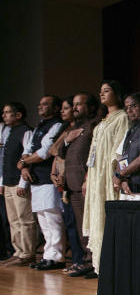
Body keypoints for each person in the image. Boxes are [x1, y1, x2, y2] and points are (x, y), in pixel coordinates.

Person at [83, 81, 129, 278]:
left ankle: (109, 265)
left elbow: (120, 148)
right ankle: (98, 264)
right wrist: (88, 175)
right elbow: (93, 149)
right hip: (95, 174)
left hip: (108, 174)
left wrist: (116, 173)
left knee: (106, 215)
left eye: (107, 91)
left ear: (116, 94)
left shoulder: (122, 117)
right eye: (100, 91)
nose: (102, 94)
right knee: (96, 214)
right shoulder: (103, 120)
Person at [18, 95, 65, 270]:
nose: (40, 107)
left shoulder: (57, 125)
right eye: (40, 104)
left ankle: (57, 256)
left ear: (55, 108)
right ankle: (48, 255)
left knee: (53, 219)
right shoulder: (39, 126)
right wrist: (24, 164)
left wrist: (24, 162)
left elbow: (45, 152)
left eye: (45, 104)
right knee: (43, 221)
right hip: (35, 179)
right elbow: (28, 149)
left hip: (48, 179)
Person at [59, 93, 99, 277]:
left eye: (79, 104)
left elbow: (95, 154)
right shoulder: (75, 127)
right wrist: (67, 140)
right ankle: (85, 260)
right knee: (80, 226)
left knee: (89, 224)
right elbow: (59, 151)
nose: (74, 108)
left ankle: (93, 261)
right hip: (72, 183)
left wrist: (87, 178)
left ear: (91, 107)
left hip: (85, 182)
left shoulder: (94, 125)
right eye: (73, 104)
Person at [49, 97, 85, 274]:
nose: (63, 111)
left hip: (73, 178)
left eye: (67, 108)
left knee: (78, 222)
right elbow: (53, 150)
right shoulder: (67, 129)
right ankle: (77, 260)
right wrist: (53, 172)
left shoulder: (81, 128)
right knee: (71, 222)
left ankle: (81, 259)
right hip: (63, 179)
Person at [0, 102, 36, 267]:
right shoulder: (9, 131)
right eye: (4, 112)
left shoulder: (25, 131)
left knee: (24, 218)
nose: (4, 115)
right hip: (8, 182)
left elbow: (26, 157)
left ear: (18, 115)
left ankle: (27, 253)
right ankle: (18, 251)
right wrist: (2, 182)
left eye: (8, 112)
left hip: (19, 182)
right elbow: (4, 159)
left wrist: (23, 183)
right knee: (13, 220)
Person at [113, 92, 140, 201]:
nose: (129, 111)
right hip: (128, 188)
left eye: (133, 106)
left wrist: (119, 175)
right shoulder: (130, 130)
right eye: (126, 108)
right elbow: (121, 158)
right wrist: (123, 179)